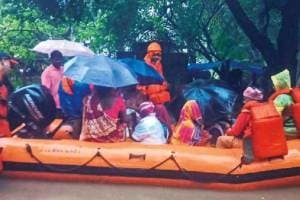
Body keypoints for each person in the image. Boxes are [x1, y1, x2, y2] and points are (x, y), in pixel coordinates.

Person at [216, 87, 264, 163]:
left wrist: (228, 130)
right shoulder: (263, 108)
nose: (244, 101)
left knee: (221, 139)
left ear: (249, 99)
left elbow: (235, 132)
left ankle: (221, 163)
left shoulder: (247, 112)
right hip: (262, 141)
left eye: (245, 98)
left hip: (249, 144)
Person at [270, 69, 299, 138]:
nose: (273, 87)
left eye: (275, 84)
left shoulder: (282, 98)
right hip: (296, 129)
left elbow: (274, 115)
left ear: (280, 84)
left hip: (287, 130)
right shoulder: (292, 96)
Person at [0, 52, 18, 137]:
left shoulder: (5, 81)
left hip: (5, 124)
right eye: (10, 64)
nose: (11, 68)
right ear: (2, 62)